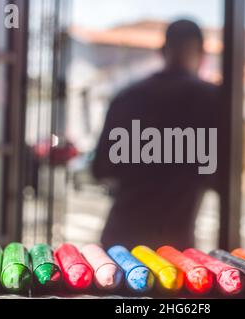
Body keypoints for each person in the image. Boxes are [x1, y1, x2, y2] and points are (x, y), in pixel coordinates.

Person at [92, 20, 219, 250]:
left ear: (162, 51)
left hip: (122, 239)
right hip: (174, 244)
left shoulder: (127, 97)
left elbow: (100, 168)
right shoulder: (212, 100)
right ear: (202, 54)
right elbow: (221, 177)